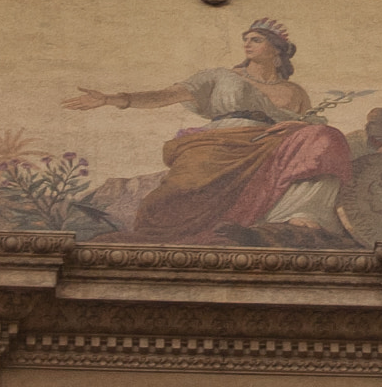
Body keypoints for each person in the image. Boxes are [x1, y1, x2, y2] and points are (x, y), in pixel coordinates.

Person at [70, 17, 358, 243]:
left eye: (255, 40)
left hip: (273, 144)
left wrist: (298, 125)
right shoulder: (221, 77)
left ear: (275, 49)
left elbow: (309, 126)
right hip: (220, 142)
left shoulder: (293, 92)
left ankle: (299, 212)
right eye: (245, 40)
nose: (247, 45)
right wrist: (113, 99)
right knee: (174, 197)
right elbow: (165, 95)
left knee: (327, 138)